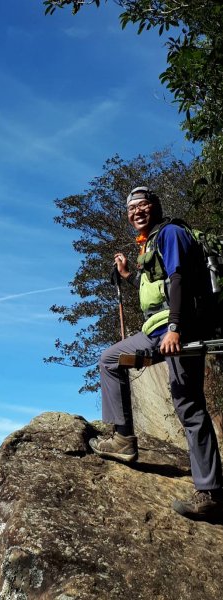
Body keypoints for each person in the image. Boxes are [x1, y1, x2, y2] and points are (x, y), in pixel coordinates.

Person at [89, 185, 223, 517]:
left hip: (179, 330)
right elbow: (158, 289)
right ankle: (123, 439)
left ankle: (210, 494)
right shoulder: (152, 243)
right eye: (131, 208)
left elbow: (178, 279)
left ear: (155, 207)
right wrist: (128, 276)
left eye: (143, 205)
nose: (137, 211)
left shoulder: (172, 234)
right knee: (110, 359)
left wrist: (176, 327)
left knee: (189, 407)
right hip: (157, 330)